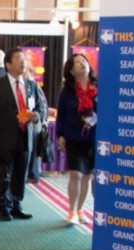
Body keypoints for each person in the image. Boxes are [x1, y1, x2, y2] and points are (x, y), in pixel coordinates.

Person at [0, 48, 42, 221]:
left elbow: (39, 107)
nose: (23, 62)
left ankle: (16, 204)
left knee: (20, 173)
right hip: (4, 138)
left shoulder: (31, 85)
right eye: (18, 58)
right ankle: (3, 206)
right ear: (8, 64)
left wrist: (36, 115)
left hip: (25, 136)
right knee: (3, 174)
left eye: (24, 58)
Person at [56, 52, 98, 225]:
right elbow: (61, 115)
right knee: (76, 174)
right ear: (71, 71)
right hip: (73, 137)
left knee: (87, 176)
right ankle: (72, 211)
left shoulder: (99, 87)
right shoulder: (67, 92)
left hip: (94, 139)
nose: (82, 63)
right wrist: (60, 135)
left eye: (84, 60)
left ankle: (80, 209)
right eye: (78, 62)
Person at [24, 61, 49, 184]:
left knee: (33, 150)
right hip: (32, 121)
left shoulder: (33, 85)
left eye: (24, 70)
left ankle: (33, 174)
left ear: (30, 72)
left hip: (34, 122)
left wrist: (43, 120)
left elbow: (41, 106)